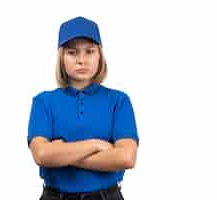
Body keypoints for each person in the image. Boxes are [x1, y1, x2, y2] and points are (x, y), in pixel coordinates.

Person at [27, 16, 139, 200]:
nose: (81, 60)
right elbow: (42, 154)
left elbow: (126, 157)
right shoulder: (43, 102)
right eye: (72, 52)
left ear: (100, 56)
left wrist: (61, 154)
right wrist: (96, 145)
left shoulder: (118, 101)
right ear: (61, 57)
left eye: (89, 51)